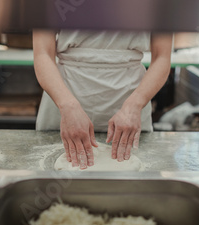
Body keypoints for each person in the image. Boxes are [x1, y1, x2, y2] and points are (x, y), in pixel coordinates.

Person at [33, 29, 172, 169]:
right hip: (64, 93)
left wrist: (134, 105)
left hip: (131, 96)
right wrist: (67, 106)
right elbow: (42, 53)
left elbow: (162, 57)